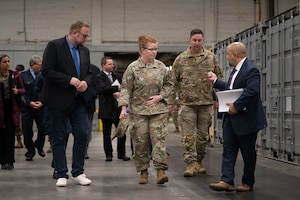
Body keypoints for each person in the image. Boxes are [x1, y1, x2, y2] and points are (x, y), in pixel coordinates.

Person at [208, 42, 267, 192]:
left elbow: (252, 90)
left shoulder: (251, 70)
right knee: (228, 149)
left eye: (228, 54)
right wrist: (216, 81)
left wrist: (236, 105)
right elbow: (232, 89)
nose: (226, 57)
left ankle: (247, 182)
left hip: (247, 119)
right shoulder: (235, 70)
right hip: (231, 119)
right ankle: (226, 180)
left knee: (248, 153)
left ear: (235, 55)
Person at [41, 20, 93, 187]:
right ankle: (61, 173)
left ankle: (78, 172)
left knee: (83, 134)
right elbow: (47, 71)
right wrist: (69, 80)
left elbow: (90, 73)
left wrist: (86, 81)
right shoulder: (55, 46)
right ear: (74, 33)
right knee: (59, 136)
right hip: (58, 99)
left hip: (79, 100)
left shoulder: (85, 51)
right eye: (84, 35)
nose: (86, 39)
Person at [118, 35, 173, 184]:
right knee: (140, 142)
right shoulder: (133, 68)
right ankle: (143, 172)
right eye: (151, 49)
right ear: (142, 50)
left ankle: (161, 171)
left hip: (158, 110)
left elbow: (169, 85)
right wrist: (124, 108)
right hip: (138, 112)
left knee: (158, 140)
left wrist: (160, 97)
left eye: (156, 49)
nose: (154, 52)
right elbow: (125, 89)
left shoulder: (161, 67)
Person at [170, 29, 223, 177]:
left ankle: (199, 161)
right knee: (188, 136)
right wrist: (170, 102)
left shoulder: (211, 58)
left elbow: (220, 78)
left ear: (203, 41)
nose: (197, 43)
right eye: (194, 40)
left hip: (206, 103)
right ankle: (190, 164)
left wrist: (220, 99)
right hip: (187, 104)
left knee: (202, 137)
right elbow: (172, 82)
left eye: (199, 40)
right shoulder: (181, 59)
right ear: (189, 41)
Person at [96, 56, 130, 162]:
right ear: (103, 65)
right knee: (107, 134)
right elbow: (102, 89)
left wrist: (120, 92)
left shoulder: (118, 76)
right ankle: (109, 155)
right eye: (109, 64)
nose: (112, 66)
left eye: (112, 64)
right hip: (106, 109)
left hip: (118, 109)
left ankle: (121, 154)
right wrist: (116, 89)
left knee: (121, 132)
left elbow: (124, 87)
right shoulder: (99, 77)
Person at [0, 54, 25, 170]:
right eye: (4, 61)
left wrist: (17, 91)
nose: (7, 63)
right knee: (1, 137)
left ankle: (10, 161)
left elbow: (23, 89)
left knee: (10, 137)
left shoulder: (14, 75)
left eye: (8, 61)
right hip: (1, 110)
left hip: (11, 109)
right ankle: (3, 161)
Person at [20, 55, 46, 161]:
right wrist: (29, 102)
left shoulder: (44, 75)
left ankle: (39, 145)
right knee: (27, 131)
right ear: (32, 65)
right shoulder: (23, 76)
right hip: (27, 108)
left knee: (43, 128)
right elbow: (22, 92)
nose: (41, 67)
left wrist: (42, 102)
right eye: (39, 65)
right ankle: (30, 151)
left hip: (41, 107)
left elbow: (46, 90)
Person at [84, 63, 100, 159]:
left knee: (86, 129)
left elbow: (98, 85)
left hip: (88, 103)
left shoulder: (94, 69)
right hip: (70, 102)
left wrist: (93, 95)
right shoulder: (69, 65)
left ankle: (84, 150)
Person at [14, 64, 25, 148]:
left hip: (19, 103)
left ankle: (19, 141)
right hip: (22, 103)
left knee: (17, 124)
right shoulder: (22, 76)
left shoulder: (17, 77)